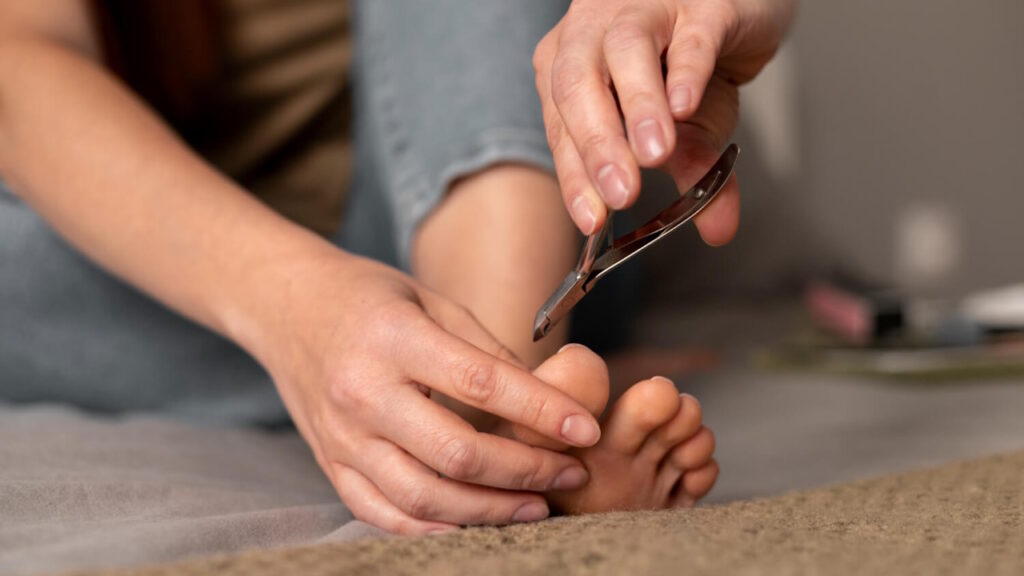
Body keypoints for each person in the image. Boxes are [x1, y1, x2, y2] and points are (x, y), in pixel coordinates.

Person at [0, 0, 794, 540]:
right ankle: (505, 405)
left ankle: (488, 391)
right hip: (206, 255)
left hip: (490, 227)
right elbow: (20, 64)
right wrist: (288, 302)